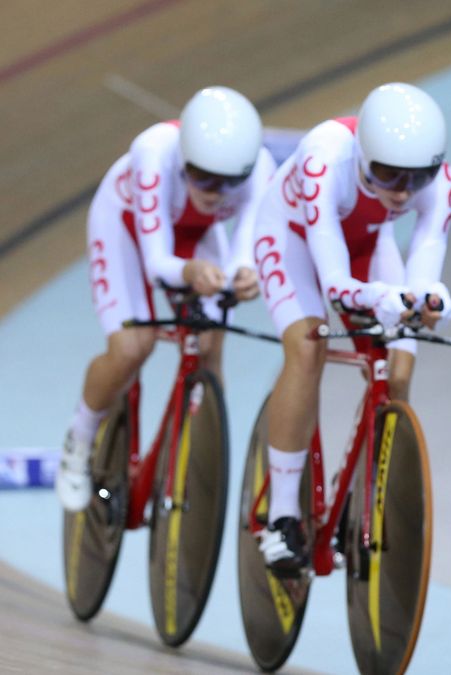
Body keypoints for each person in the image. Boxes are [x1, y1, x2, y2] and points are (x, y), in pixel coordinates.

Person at [252, 83, 451, 577]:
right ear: (363, 155)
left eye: (417, 177)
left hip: (366, 241)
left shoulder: (442, 182)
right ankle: (280, 516)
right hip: (293, 239)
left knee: (399, 367)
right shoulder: (325, 156)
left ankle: (357, 501)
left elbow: (422, 277)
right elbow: (338, 284)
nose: (404, 191)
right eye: (388, 174)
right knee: (307, 344)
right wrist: (388, 300)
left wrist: (427, 301)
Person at [57, 86, 273, 512]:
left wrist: (246, 275)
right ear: (184, 156)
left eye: (230, 181)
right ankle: (77, 443)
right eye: (204, 177)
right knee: (133, 347)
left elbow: (246, 248)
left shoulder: (260, 167)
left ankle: (196, 454)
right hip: (126, 229)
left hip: (193, 235)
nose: (216, 191)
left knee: (211, 342)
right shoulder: (153, 151)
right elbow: (157, 261)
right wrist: (192, 273)